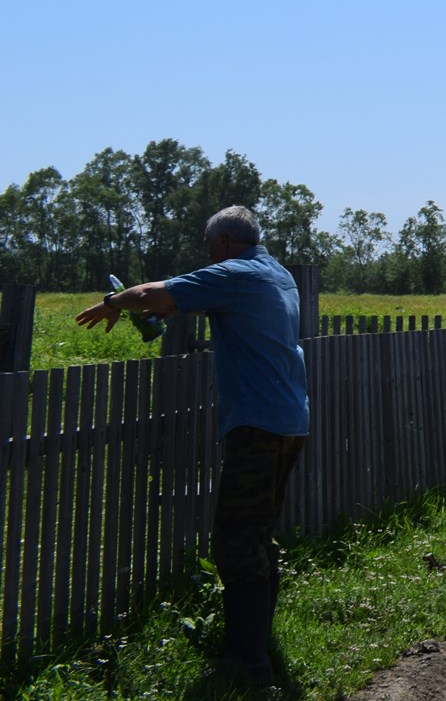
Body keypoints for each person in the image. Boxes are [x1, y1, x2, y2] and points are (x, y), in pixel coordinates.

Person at [77, 205, 308, 690]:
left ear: (224, 242)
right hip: (290, 420)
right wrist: (160, 302)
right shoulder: (276, 273)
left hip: (257, 424)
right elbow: (178, 299)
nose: (206, 254)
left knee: (235, 542)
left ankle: (248, 663)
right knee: (258, 535)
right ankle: (258, 646)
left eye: (209, 246)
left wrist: (115, 302)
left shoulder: (235, 274)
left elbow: (154, 293)